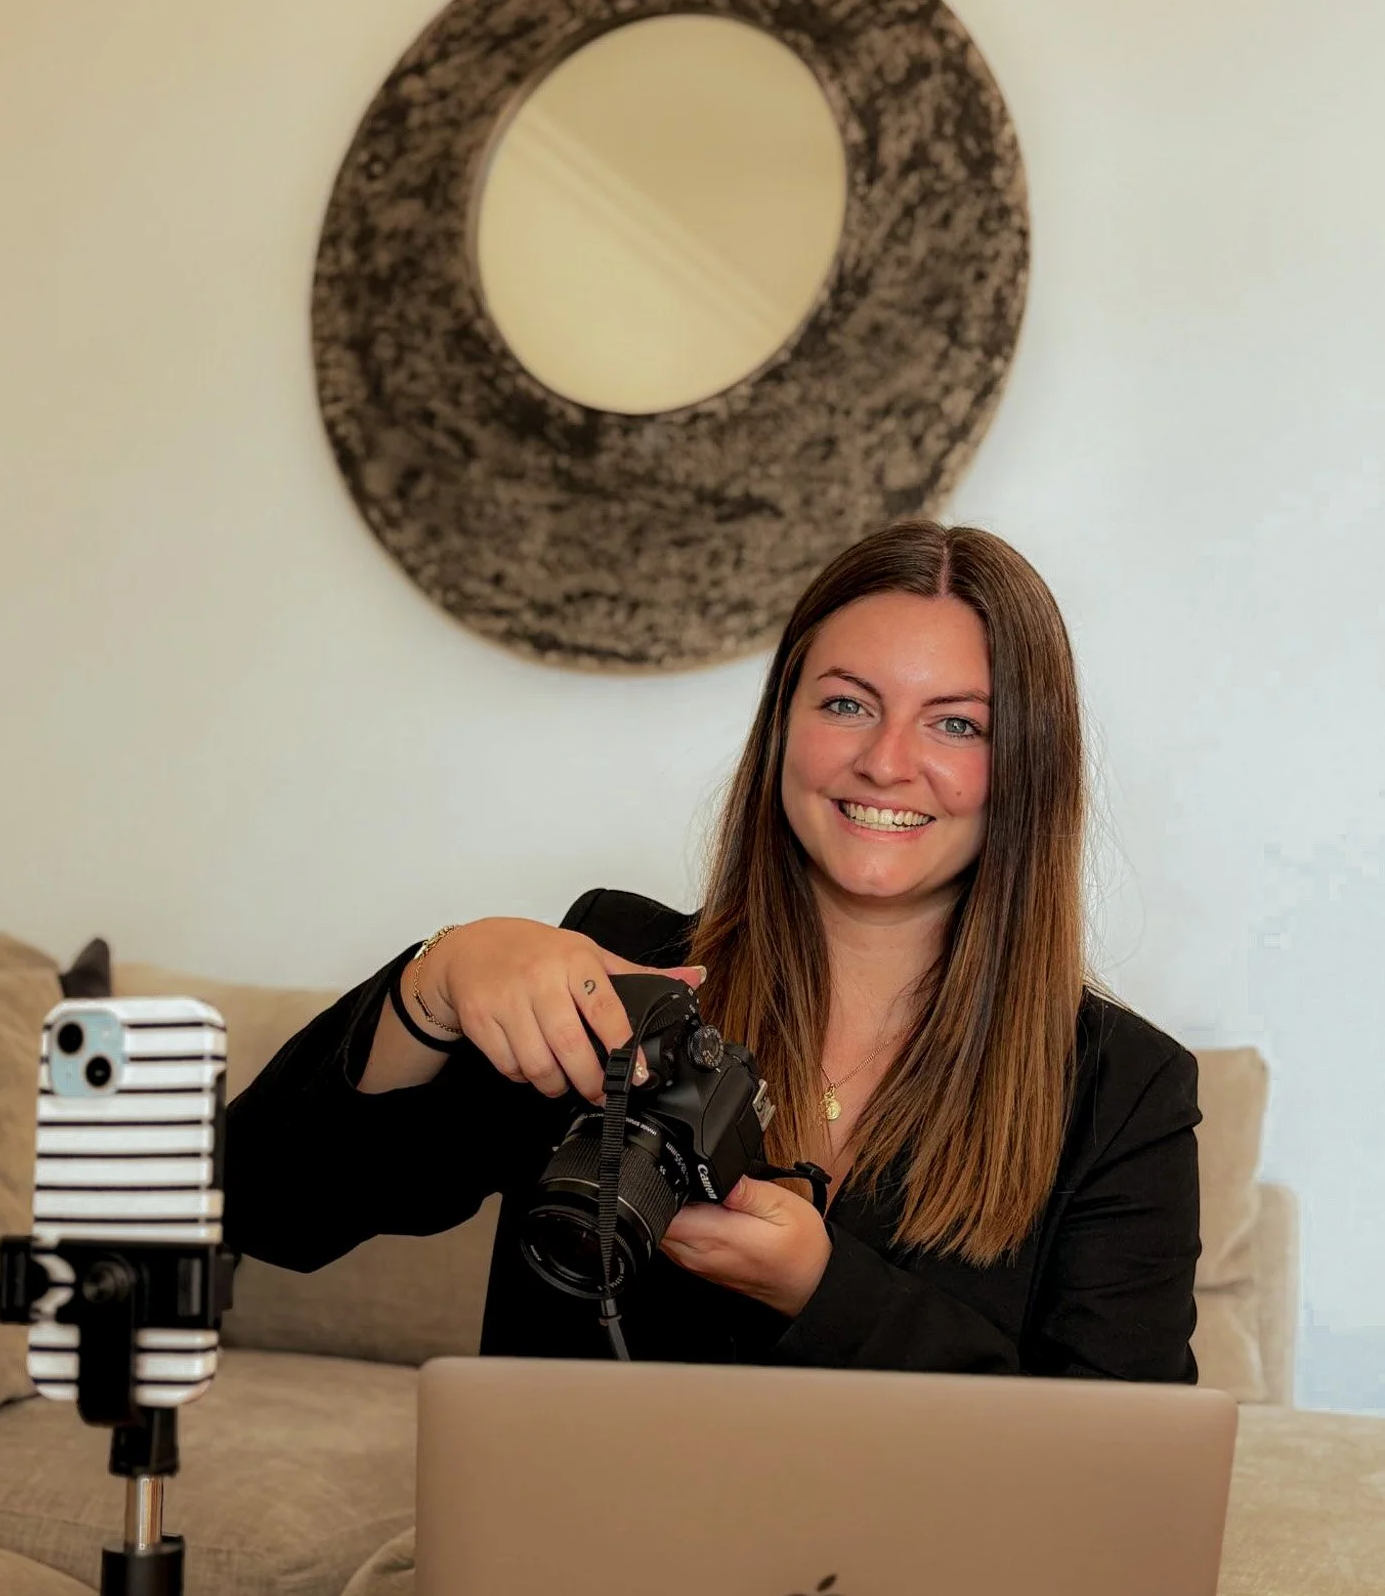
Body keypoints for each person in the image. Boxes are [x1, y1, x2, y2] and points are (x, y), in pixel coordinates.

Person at [225, 521, 1200, 1380]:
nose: (886, 759)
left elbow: (1111, 1472)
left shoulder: (1121, 1090)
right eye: (846, 704)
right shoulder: (617, 970)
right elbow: (268, 1207)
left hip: (911, 1591)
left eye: (955, 723)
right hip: (570, 1571)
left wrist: (823, 1290)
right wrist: (429, 984)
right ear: (781, 726)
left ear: (1027, 766)